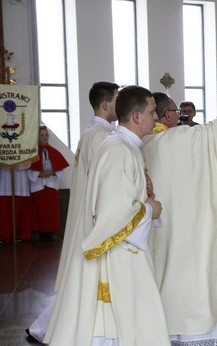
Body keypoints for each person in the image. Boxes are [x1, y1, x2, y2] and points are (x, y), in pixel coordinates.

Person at [43, 85, 170, 345]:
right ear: (136, 117)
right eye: (151, 111)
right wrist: (150, 209)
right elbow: (113, 212)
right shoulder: (117, 149)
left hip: (125, 252)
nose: (156, 117)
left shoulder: (124, 145)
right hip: (117, 258)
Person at [141, 84, 217, 345]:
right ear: (168, 115)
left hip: (161, 238)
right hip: (193, 238)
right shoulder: (182, 139)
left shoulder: (144, 144)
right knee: (201, 281)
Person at [26, 82, 120, 343]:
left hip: (85, 214)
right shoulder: (101, 137)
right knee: (84, 282)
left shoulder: (93, 133)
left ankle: (52, 325)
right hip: (94, 217)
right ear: (105, 104)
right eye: (116, 99)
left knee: (79, 281)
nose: (119, 105)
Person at [28, 125, 70, 241]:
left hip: (51, 185)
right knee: (40, 210)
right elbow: (28, 170)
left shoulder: (53, 152)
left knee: (51, 210)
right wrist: (40, 174)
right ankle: (41, 233)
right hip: (38, 185)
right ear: (37, 137)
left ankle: (51, 233)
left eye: (46, 135)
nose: (44, 137)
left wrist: (52, 172)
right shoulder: (32, 153)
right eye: (42, 135)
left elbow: (60, 168)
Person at [0, 163, 32, 245]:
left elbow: (29, 161)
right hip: (5, 178)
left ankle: (20, 235)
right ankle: (4, 236)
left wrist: (17, 166)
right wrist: (5, 165)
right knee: (5, 211)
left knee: (20, 210)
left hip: (21, 180)